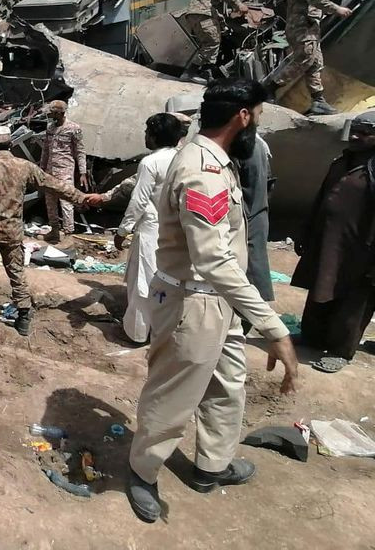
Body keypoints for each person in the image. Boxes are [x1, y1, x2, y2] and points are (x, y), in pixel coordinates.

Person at [126, 79, 298, 524]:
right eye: (257, 116)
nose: (256, 125)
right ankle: (142, 473)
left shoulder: (219, 162)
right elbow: (211, 258)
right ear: (243, 115)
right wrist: (273, 326)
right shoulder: (201, 168)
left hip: (220, 302)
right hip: (192, 304)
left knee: (227, 387)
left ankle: (211, 467)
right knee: (171, 396)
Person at [0, 126, 100, 337]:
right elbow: (53, 185)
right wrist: (80, 198)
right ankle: (23, 316)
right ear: (11, 144)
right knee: (16, 271)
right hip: (13, 231)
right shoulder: (25, 167)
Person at [290, 111, 375, 373]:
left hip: (362, 251)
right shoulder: (341, 163)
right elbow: (320, 199)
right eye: (355, 130)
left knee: (354, 300)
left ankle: (341, 350)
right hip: (327, 241)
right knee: (320, 288)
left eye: (364, 132)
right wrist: (305, 232)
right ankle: (313, 337)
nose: (356, 136)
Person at [114, 114, 187, 343]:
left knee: (143, 282)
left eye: (147, 132)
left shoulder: (150, 163)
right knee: (169, 282)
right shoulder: (182, 158)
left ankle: (137, 333)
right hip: (177, 230)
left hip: (151, 229)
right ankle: (162, 331)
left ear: (155, 136)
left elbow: (139, 201)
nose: (144, 137)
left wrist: (122, 231)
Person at [265, 0, 353, 116]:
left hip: (308, 26)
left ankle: (318, 101)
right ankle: (271, 87)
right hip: (302, 27)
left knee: (314, 63)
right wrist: (337, 9)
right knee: (305, 59)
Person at [181, 0, 249, 85]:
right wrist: (239, 5)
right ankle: (190, 73)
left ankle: (207, 74)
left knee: (212, 41)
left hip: (197, 12)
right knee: (212, 42)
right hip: (203, 12)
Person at [237, 135, 274, 314]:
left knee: (249, 269)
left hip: (248, 215)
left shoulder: (244, 147)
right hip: (256, 212)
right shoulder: (259, 144)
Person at [40, 100, 87, 239]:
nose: (51, 115)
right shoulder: (50, 128)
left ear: (61, 113)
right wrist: (41, 168)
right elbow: (45, 150)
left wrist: (83, 172)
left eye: (53, 113)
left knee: (66, 201)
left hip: (65, 170)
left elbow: (80, 151)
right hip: (50, 170)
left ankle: (68, 231)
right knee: (50, 201)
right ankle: (54, 230)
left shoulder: (74, 128)